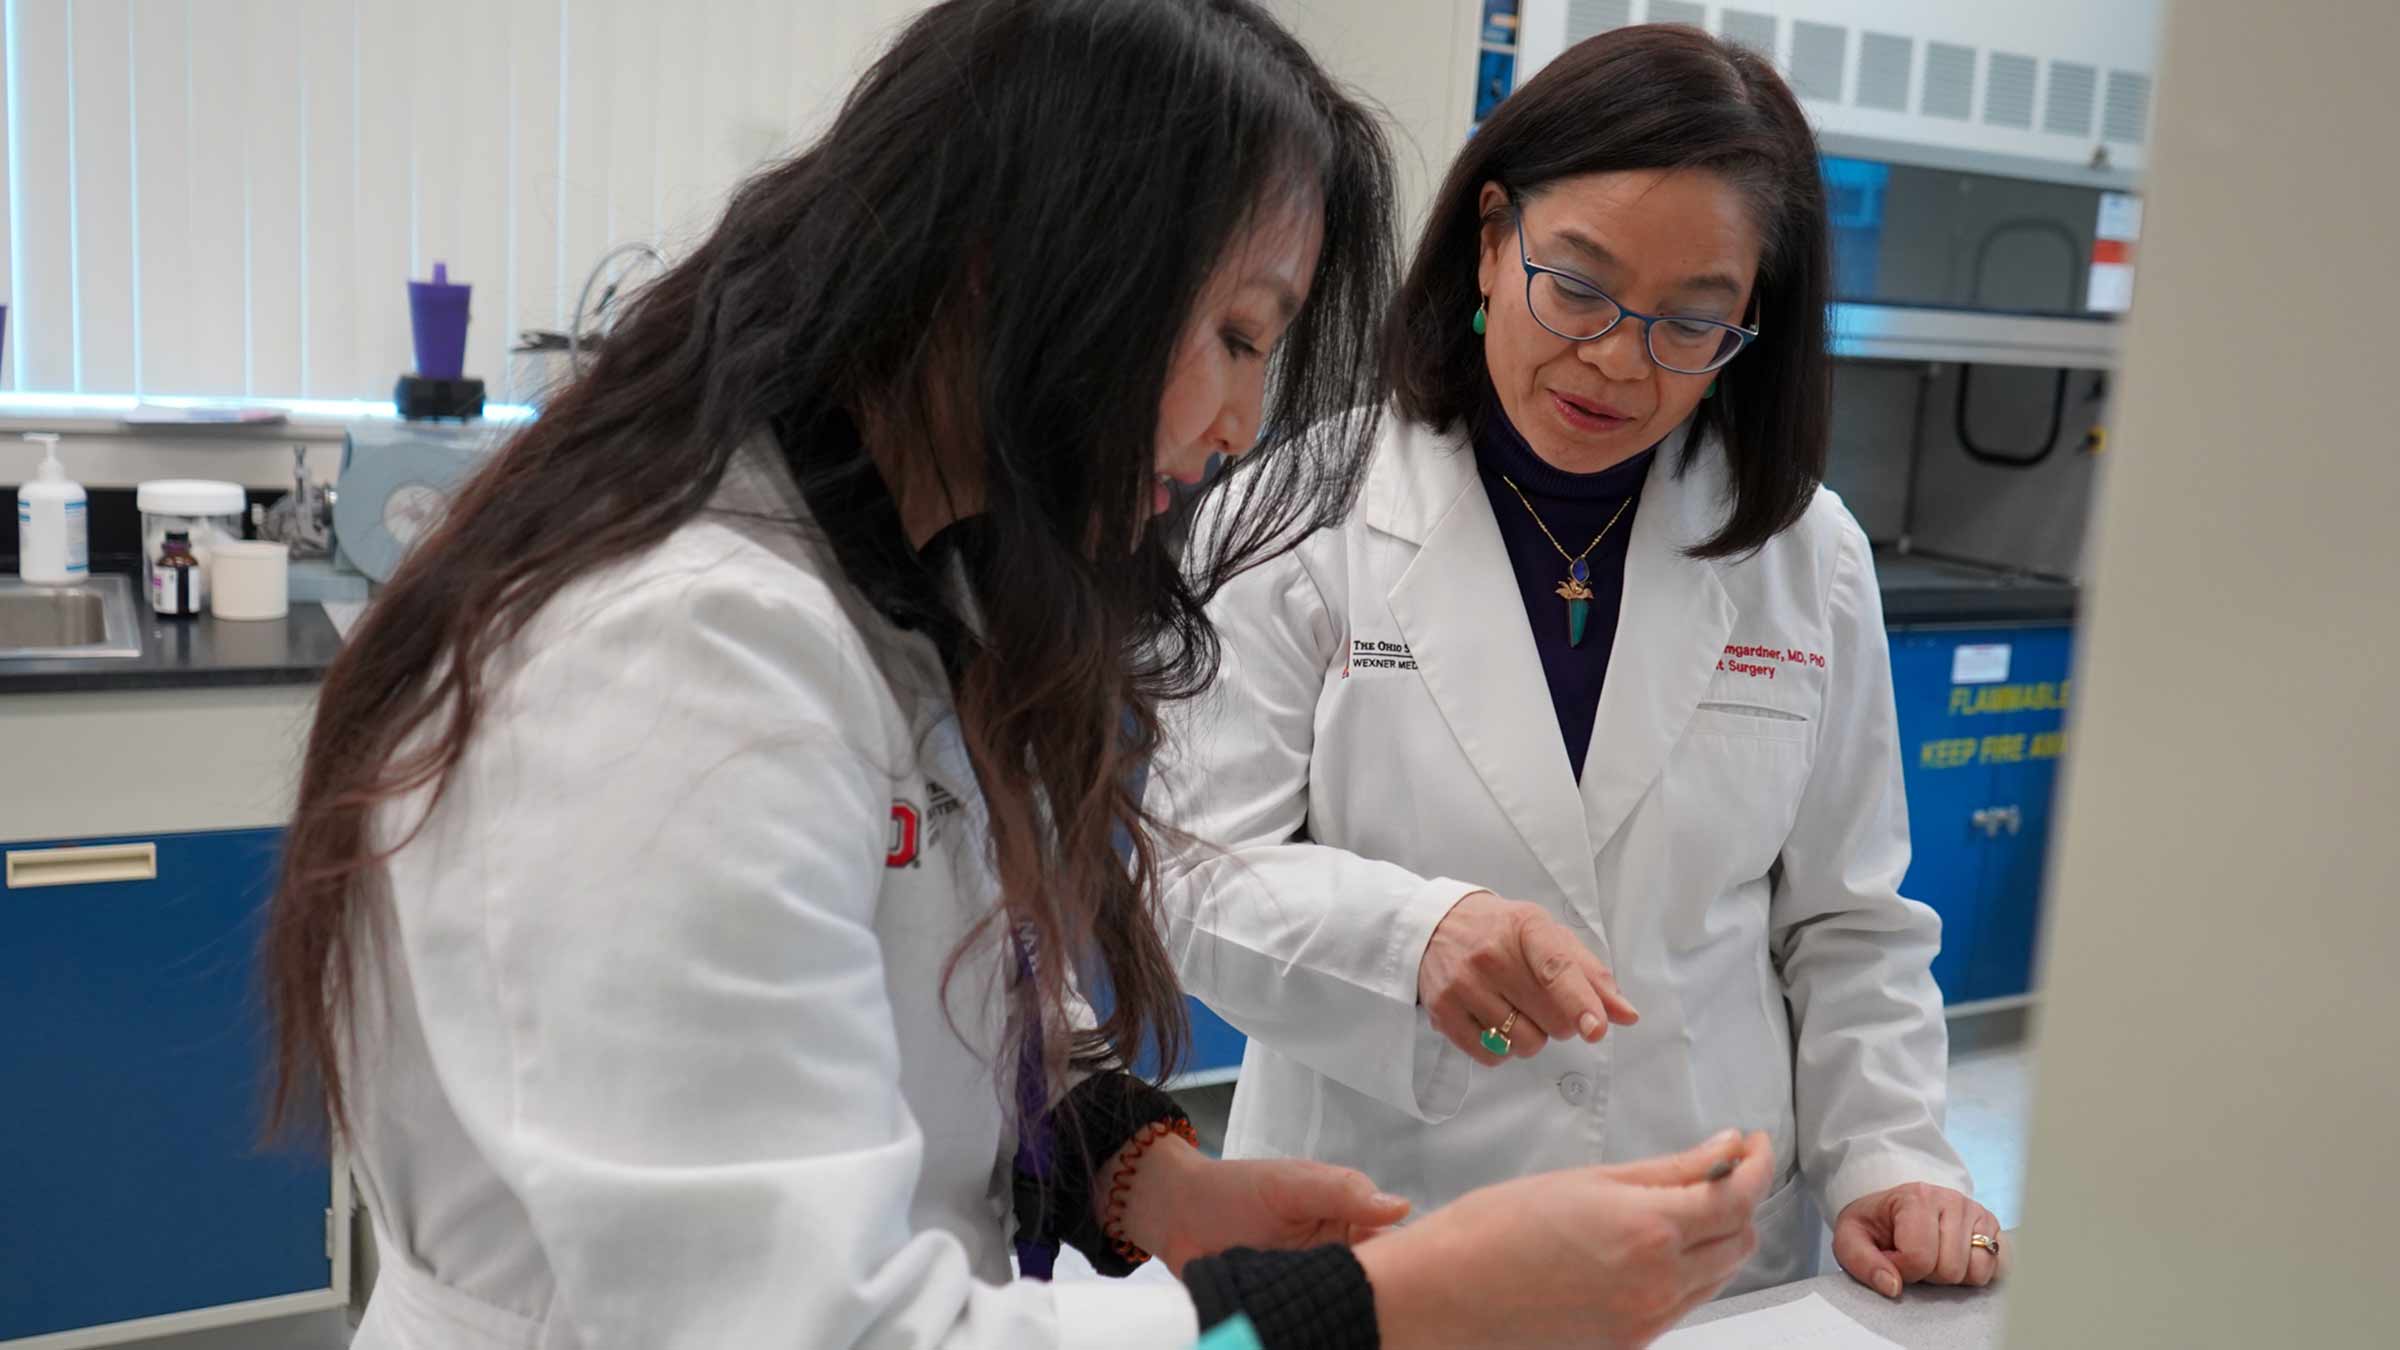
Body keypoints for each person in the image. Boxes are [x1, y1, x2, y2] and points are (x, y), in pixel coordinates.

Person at [262, 4, 1774, 1348]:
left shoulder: (918, 594)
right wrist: (1406, 1307)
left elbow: (932, 1014)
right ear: (1030, 270)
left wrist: (1145, 1176)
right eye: (1238, 332)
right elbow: (809, 1324)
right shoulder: (677, 651)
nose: (1247, 420)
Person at [1153, 23, 2001, 1304]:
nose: (1617, 357)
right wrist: (1415, 937)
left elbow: (1848, 925)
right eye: (1581, 287)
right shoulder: (1299, 515)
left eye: (1690, 324)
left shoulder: (1802, 549)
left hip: (1713, 1252)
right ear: (1492, 240)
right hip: (1393, 1236)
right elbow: (1195, 882)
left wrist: (1890, 1152)